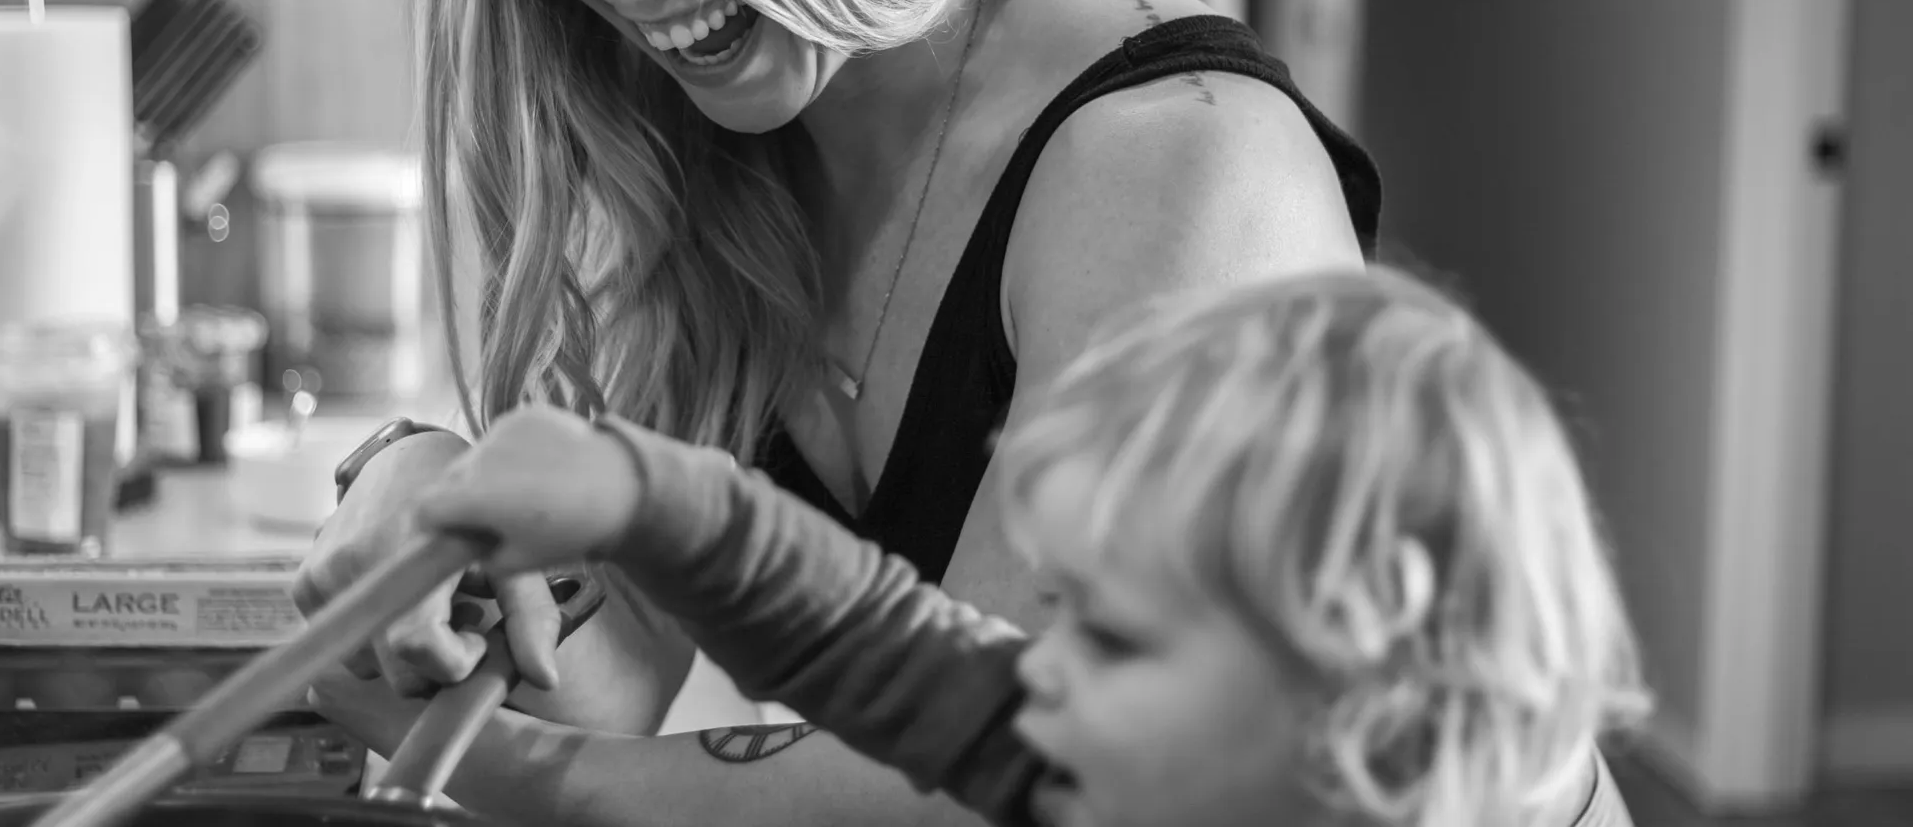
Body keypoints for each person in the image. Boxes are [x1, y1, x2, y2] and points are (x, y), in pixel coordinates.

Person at [295, 0, 1380, 821]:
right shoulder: (727, 148)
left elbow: (1046, 784)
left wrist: (539, 780)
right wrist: (421, 482)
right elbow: (607, 675)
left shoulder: (1180, 162)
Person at [310, 268, 1650, 827]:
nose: (1037, 665)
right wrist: (643, 497)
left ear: (1359, 674)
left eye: (1113, 636)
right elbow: (883, 645)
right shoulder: (1132, 761)